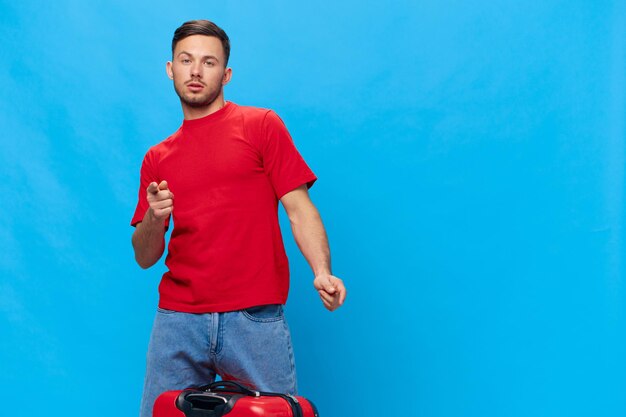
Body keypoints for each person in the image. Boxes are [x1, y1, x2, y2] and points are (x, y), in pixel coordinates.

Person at [130, 20, 347, 417]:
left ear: (225, 74)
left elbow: (299, 208)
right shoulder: (156, 158)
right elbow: (146, 256)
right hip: (178, 319)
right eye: (186, 60)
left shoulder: (261, 126)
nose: (195, 71)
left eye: (208, 62)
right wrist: (152, 218)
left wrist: (322, 270)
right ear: (170, 69)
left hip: (254, 318)